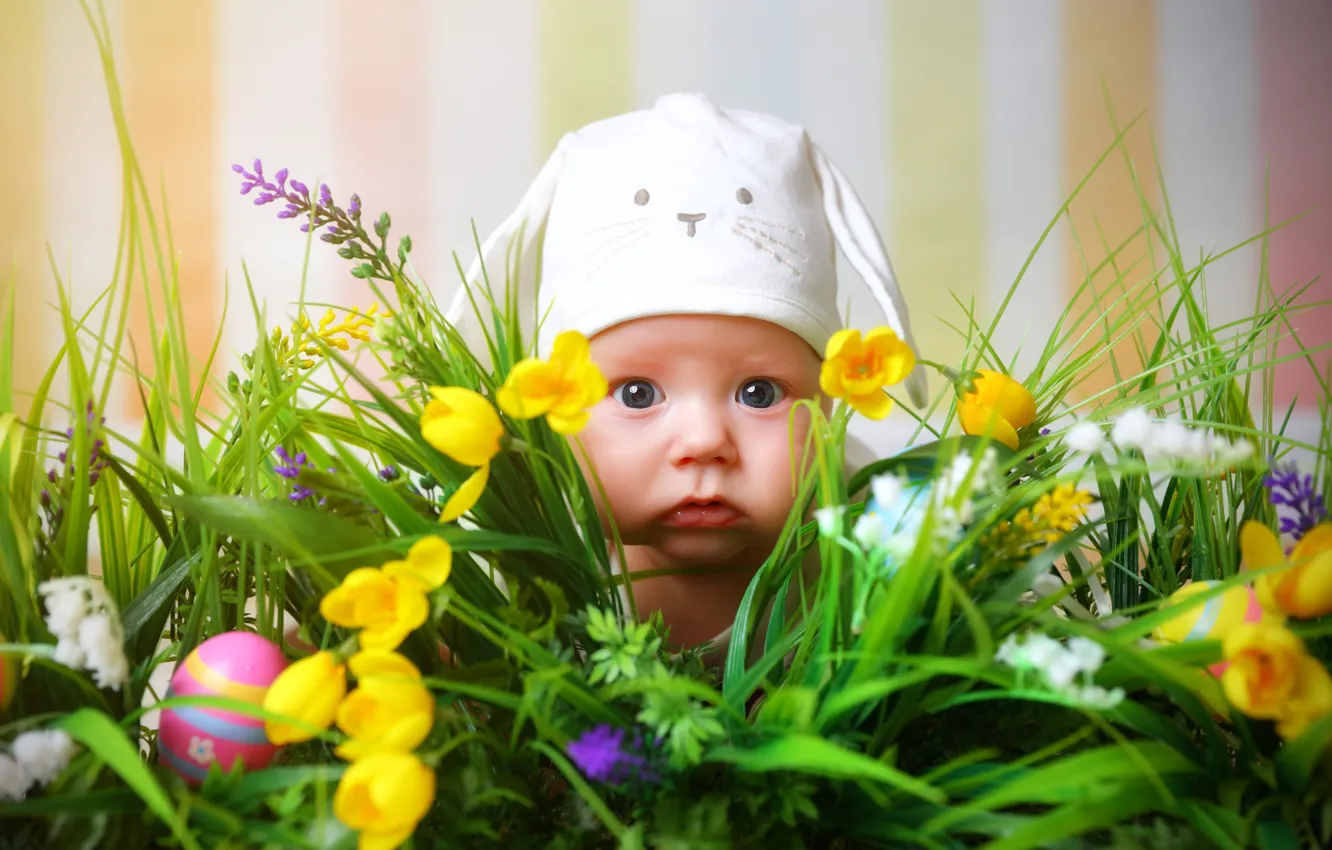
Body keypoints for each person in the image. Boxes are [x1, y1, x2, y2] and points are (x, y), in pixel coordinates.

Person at [447, 92, 928, 652]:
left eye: (758, 392)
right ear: (553, 410)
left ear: (829, 401)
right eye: (636, 393)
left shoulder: (876, 539)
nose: (703, 442)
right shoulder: (523, 561)